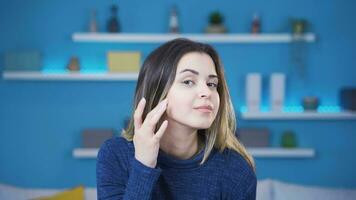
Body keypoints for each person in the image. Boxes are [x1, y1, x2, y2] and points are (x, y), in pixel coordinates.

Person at [96, 38, 257, 200]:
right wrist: (143, 165)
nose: (206, 92)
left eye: (212, 84)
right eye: (188, 81)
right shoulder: (116, 155)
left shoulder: (236, 169)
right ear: (157, 90)